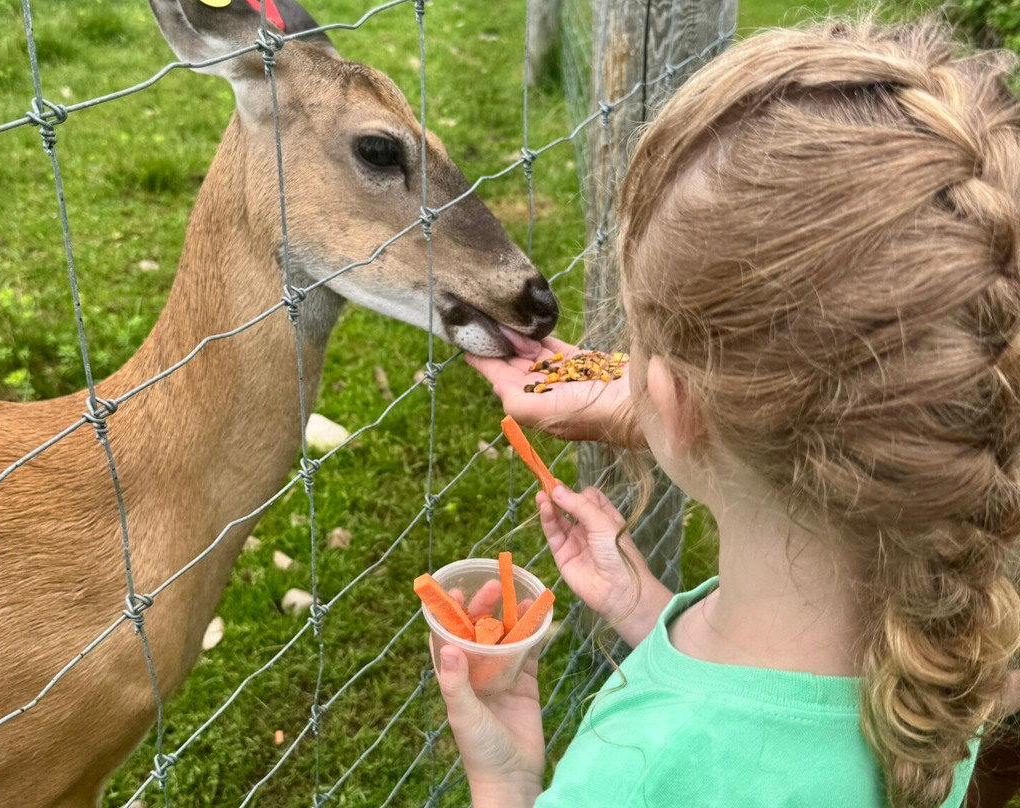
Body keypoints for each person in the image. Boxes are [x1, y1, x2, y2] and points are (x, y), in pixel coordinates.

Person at [428, 17, 1020, 808]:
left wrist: (503, 781)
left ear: (674, 403)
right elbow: (776, 718)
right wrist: (644, 610)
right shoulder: (945, 645)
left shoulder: (635, 777)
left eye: (634, 339)